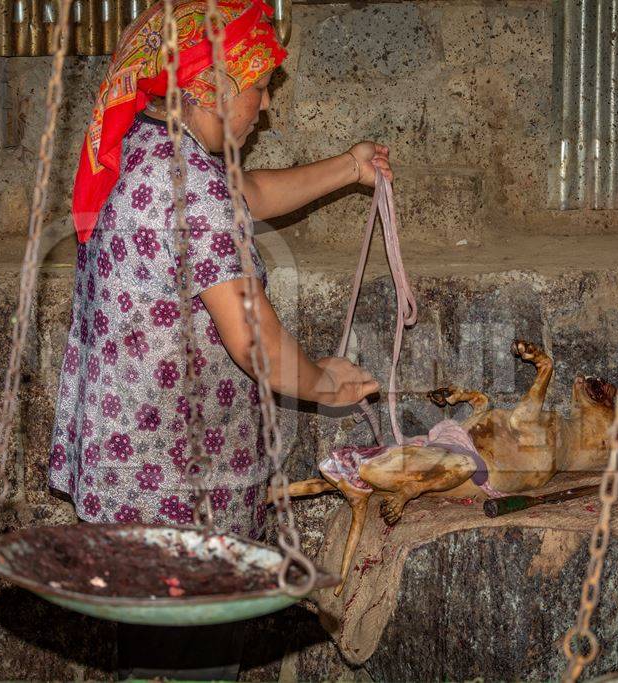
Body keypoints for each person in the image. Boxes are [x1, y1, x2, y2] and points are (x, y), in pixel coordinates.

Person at [48, 0, 389, 540]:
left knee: (144, 618)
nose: (267, 102)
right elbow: (257, 344)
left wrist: (351, 166)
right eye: (259, 84)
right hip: (176, 488)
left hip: (125, 468)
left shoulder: (144, 143)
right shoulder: (196, 193)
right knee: (190, 621)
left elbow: (247, 192)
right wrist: (325, 383)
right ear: (214, 86)